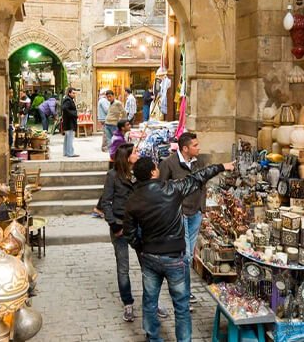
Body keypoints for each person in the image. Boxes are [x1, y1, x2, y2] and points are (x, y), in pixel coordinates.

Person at [124, 157, 233, 342]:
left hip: (150, 256)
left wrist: (141, 247)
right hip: (174, 256)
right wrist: (222, 166)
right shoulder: (171, 189)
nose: (158, 169)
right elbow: (198, 177)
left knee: (149, 303)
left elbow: (130, 232)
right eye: (156, 167)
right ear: (152, 172)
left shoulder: (133, 199)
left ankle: (153, 338)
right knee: (181, 306)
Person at [99, 144, 170, 323]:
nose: (138, 154)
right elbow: (105, 202)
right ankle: (128, 303)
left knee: (148, 266)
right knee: (123, 267)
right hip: (120, 225)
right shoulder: (113, 176)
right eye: (135, 153)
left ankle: (153, 302)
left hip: (140, 226)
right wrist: (114, 225)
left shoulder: (140, 176)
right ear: (126, 156)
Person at [159, 132, 204, 307]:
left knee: (189, 256)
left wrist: (202, 208)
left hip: (195, 213)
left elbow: (203, 184)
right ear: (185, 148)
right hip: (180, 215)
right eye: (195, 145)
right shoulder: (168, 164)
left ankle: (184, 291)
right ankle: (183, 294)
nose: (198, 148)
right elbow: (162, 190)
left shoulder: (198, 162)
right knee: (184, 256)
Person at [61, 87, 78, 157]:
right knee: (70, 138)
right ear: (69, 93)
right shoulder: (68, 100)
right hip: (69, 122)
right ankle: (70, 153)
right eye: (73, 93)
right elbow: (64, 108)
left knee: (67, 138)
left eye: (75, 93)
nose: (74, 94)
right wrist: (74, 114)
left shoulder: (68, 99)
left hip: (68, 122)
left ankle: (66, 152)